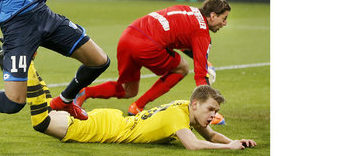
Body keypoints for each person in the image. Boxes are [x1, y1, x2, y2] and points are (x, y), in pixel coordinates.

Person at [27, 69, 257, 150]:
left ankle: (29, 66)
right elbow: (193, 144)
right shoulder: (178, 116)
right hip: (102, 129)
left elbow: (213, 135)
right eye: (211, 110)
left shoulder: (184, 108)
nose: (214, 116)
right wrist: (228, 148)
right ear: (195, 104)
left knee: (49, 111)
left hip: (112, 121)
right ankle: (25, 66)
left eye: (215, 112)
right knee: (42, 122)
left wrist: (233, 141)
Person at [74, 0, 231, 116]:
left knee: (128, 90)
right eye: (224, 19)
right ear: (212, 15)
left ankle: (85, 92)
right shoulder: (201, 32)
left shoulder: (188, 11)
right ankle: (138, 106)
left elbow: (176, 39)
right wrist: (210, 108)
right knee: (182, 68)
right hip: (148, 46)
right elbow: (200, 77)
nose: (224, 24)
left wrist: (206, 62)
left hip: (128, 36)